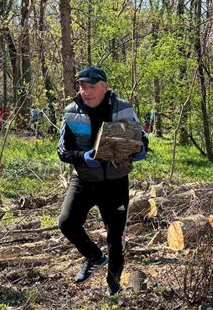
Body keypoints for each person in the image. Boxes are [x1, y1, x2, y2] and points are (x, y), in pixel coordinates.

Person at [57, 66, 148, 296]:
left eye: (91, 87)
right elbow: (63, 151)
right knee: (67, 223)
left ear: (104, 87)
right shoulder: (71, 111)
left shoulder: (124, 108)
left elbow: (142, 138)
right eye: (82, 87)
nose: (86, 92)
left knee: (115, 237)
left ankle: (114, 286)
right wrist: (83, 157)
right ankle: (94, 257)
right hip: (84, 180)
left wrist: (141, 150)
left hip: (116, 182)